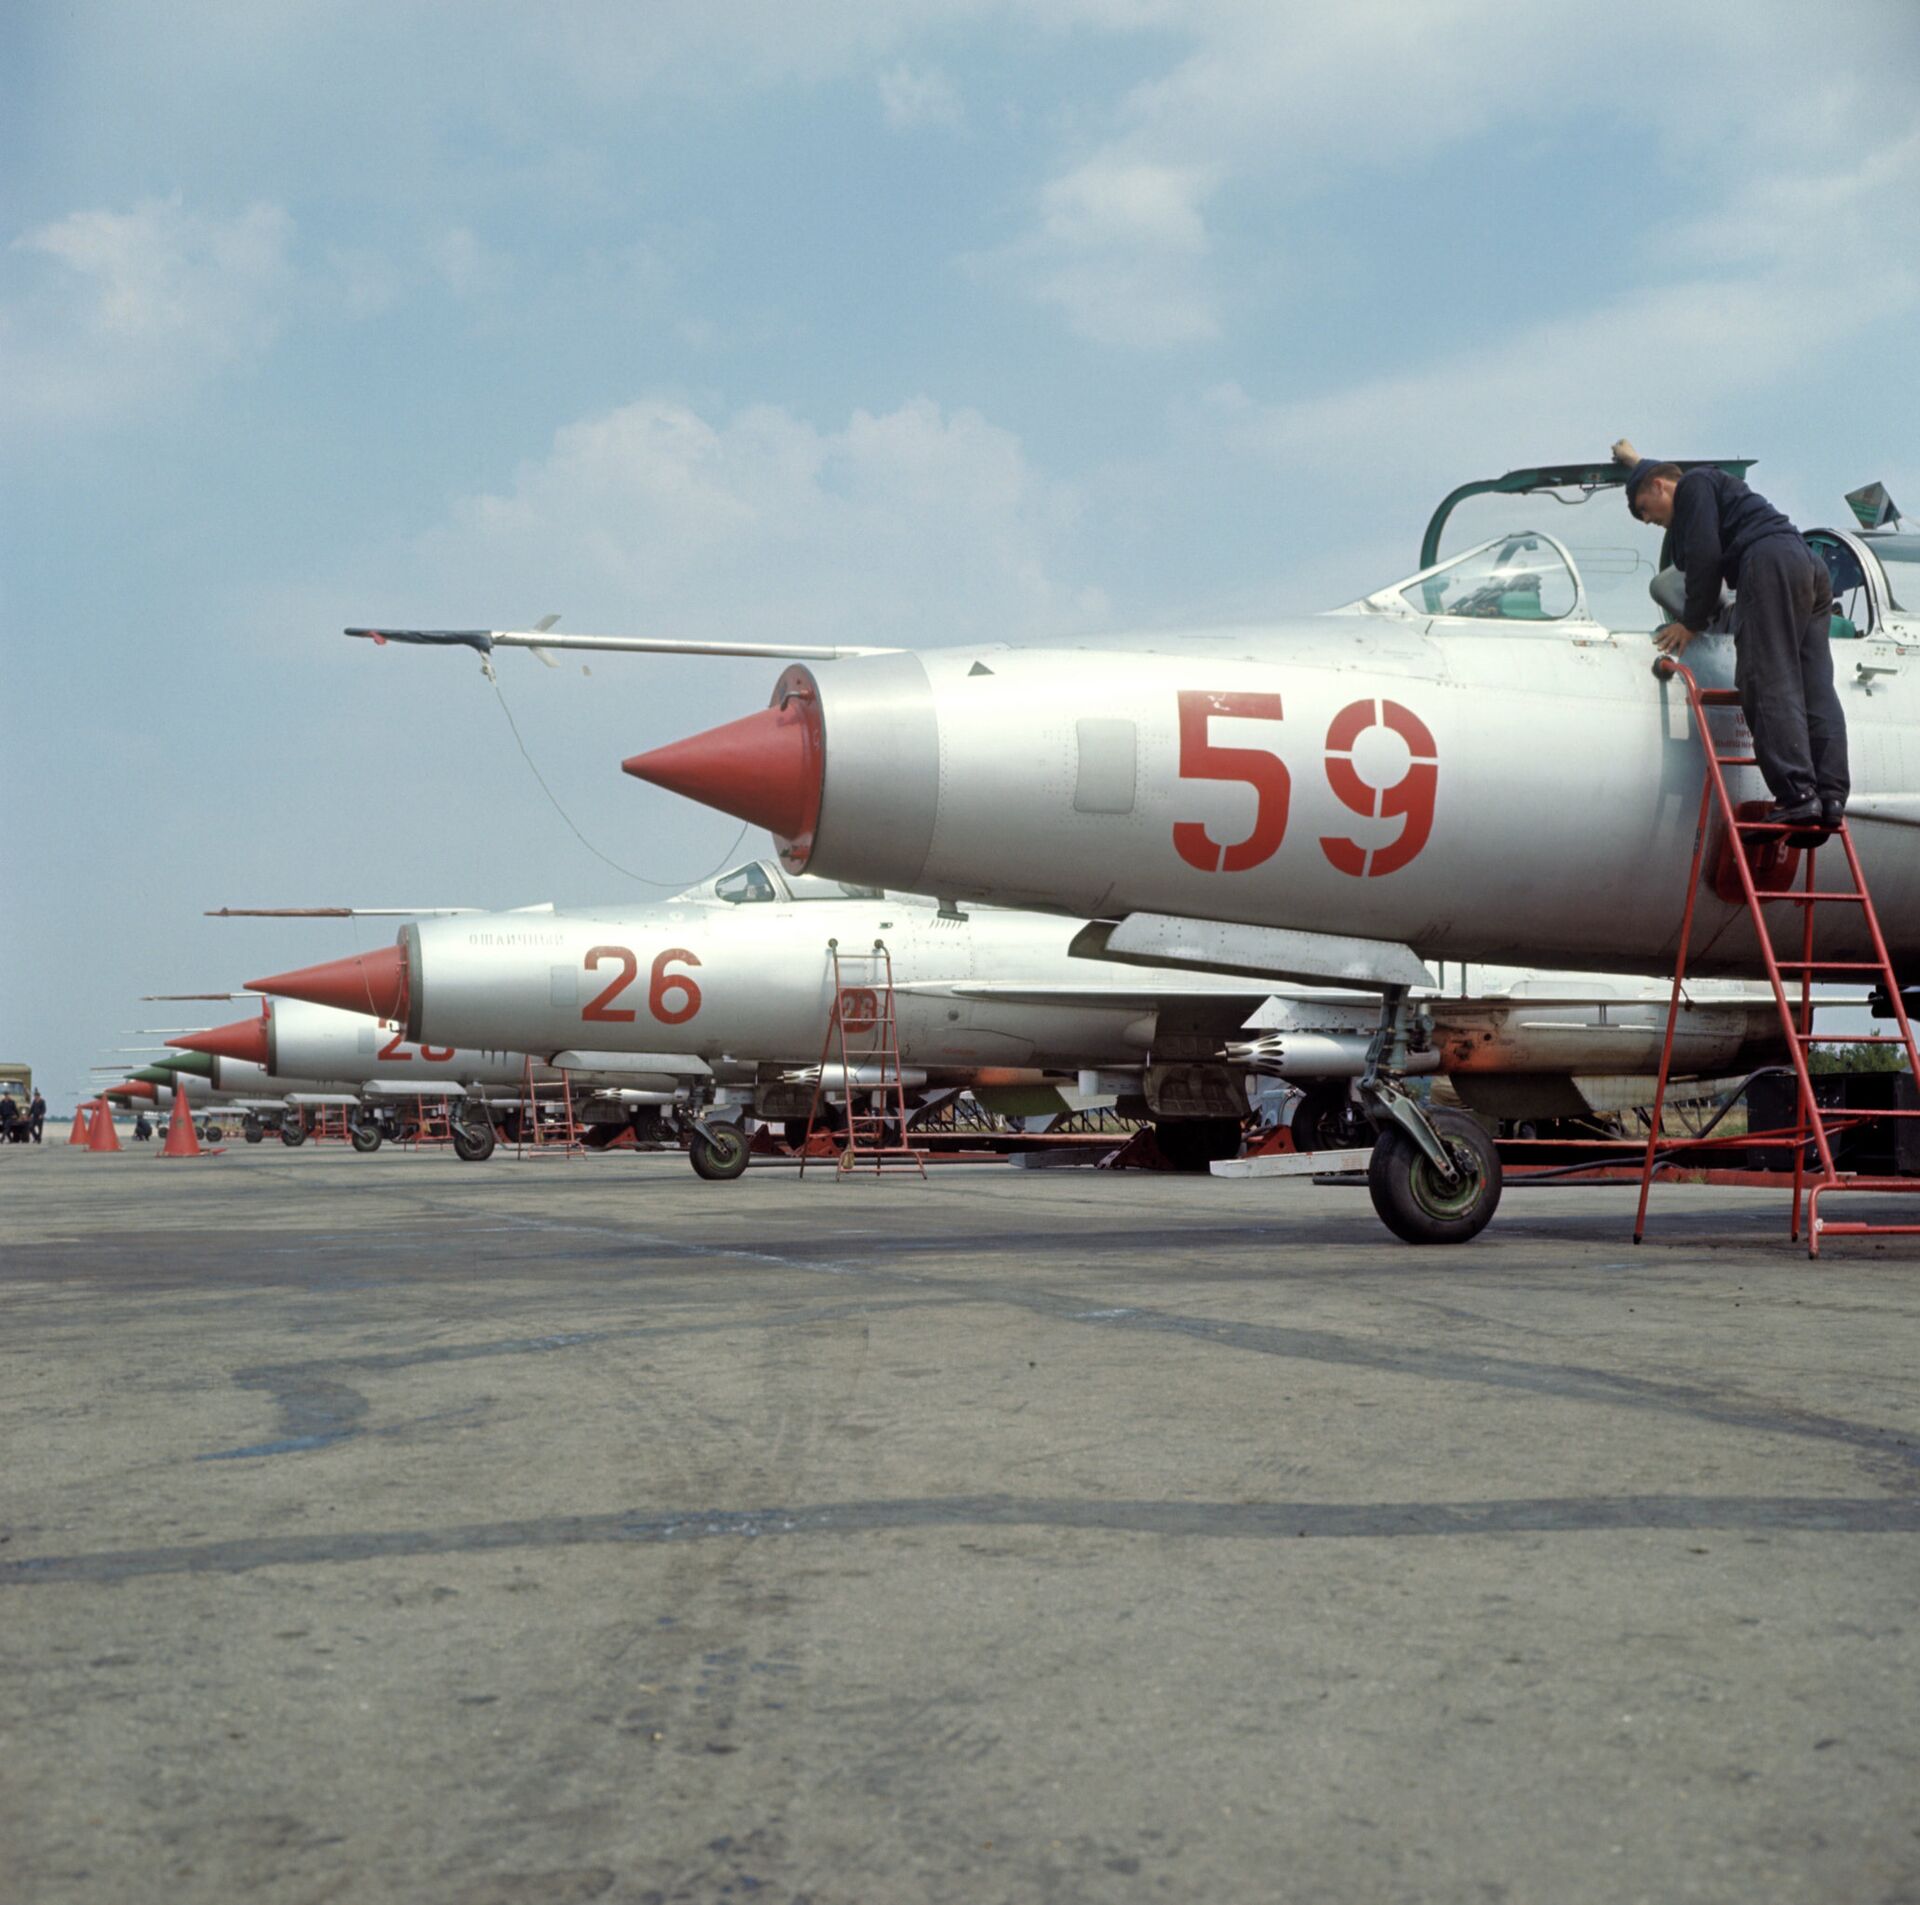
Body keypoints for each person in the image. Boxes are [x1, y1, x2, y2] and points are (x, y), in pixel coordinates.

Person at [1622, 450, 1848, 831]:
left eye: (1646, 509)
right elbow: (1691, 537)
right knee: (1814, 685)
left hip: (1768, 562)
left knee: (1766, 676)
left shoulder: (1693, 486)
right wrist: (1631, 459)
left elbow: (1704, 556)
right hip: (1808, 566)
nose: (1650, 521)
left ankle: (1797, 795)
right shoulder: (1713, 489)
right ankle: (1830, 797)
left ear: (1660, 486)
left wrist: (1691, 622)